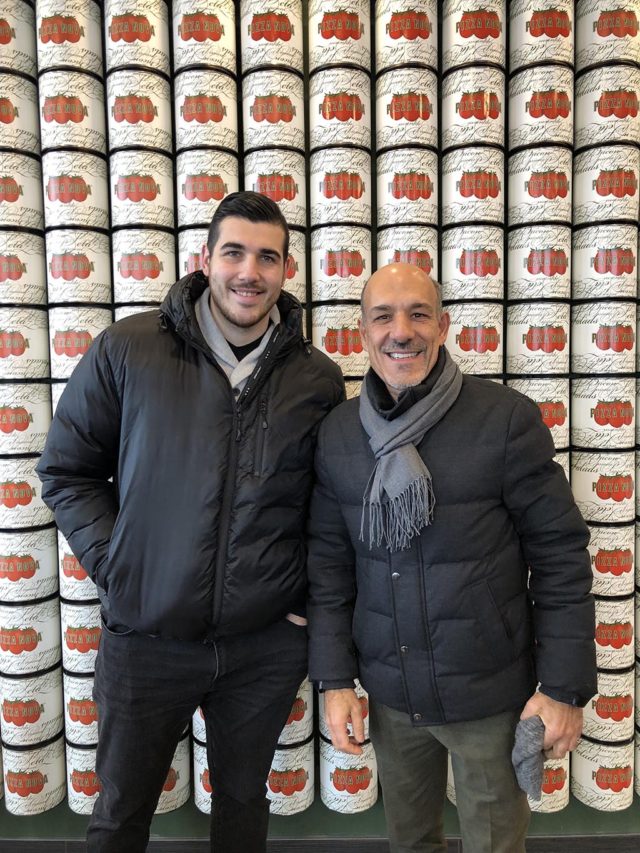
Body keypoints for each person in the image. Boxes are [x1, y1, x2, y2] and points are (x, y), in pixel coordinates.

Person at [37, 191, 344, 853]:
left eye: (267, 256)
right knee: (120, 812)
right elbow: (66, 470)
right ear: (203, 258)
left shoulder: (316, 378)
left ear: (287, 269)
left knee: (242, 804)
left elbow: (328, 504)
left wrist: (302, 602)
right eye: (233, 251)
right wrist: (121, 567)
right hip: (146, 636)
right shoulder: (128, 349)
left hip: (262, 644)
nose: (249, 271)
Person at [306, 263, 596, 853]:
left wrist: (564, 687)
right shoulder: (338, 434)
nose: (401, 331)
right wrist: (335, 681)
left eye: (417, 314)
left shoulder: (505, 419)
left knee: (496, 844)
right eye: (383, 316)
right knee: (410, 843)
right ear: (362, 332)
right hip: (390, 693)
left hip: (489, 697)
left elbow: (561, 556)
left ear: (443, 327)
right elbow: (329, 569)